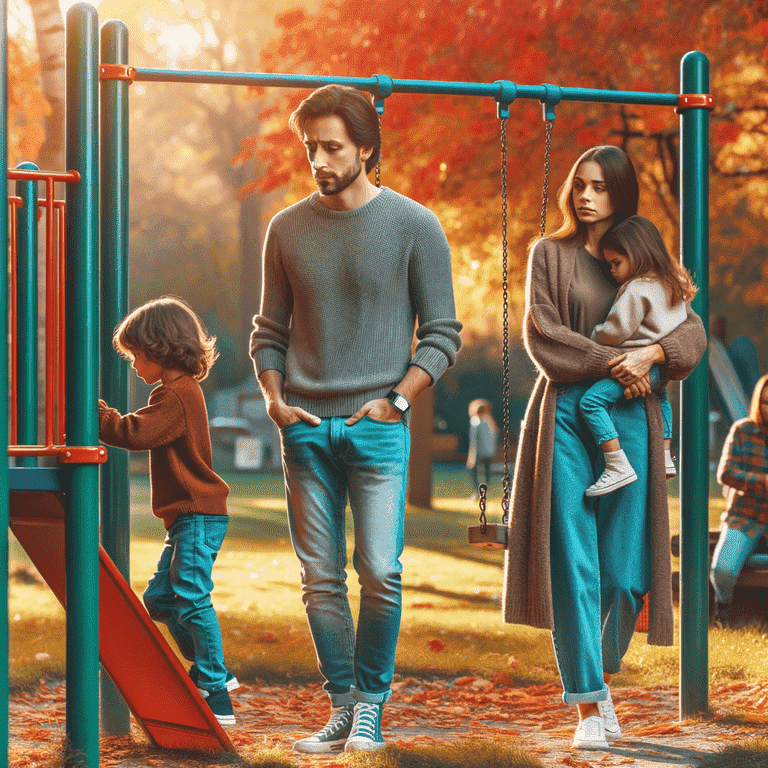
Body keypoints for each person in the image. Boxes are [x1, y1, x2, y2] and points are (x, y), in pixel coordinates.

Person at [250, 84, 462, 753]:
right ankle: (342, 706)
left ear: (366, 148)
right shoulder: (285, 229)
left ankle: (372, 704)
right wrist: (275, 401)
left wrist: (396, 400)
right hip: (304, 429)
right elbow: (267, 333)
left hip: (377, 428)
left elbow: (443, 334)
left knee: (379, 570)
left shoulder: (414, 225)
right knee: (318, 580)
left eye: (332, 146)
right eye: (310, 146)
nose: (317, 158)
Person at [501, 145, 706, 750]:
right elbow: (543, 334)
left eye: (601, 188)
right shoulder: (551, 254)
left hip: (634, 420)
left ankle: (601, 678)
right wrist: (625, 361)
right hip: (567, 414)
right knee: (575, 565)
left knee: (626, 575)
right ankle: (588, 704)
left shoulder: (644, 255)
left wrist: (658, 353)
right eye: (580, 185)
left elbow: (691, 332)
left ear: (622, 194)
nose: (587, 197)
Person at [97, 296, 237, 727]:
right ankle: (213, 671)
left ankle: (215, 689)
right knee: (160, 598)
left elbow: (135, 433)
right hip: (186, 517)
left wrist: (96, 412)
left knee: (192, 597)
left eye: (137, 354)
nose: (134, 364)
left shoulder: (175, 395)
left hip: (198, 514)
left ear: (160, 349)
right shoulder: (175, 392)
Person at [579, 216, 697, 497]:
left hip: (636, 365)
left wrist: (593, 335)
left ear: (638, 255)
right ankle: (667, 456)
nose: (612, 271)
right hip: (658, 368)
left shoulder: (637, 289)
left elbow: (616, 331)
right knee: (662, 398)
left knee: (591, 402)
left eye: (616, 263)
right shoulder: (673, 283)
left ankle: (616, 462)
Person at [710, 373, 768, 626]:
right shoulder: (743, 430)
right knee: (722, 570)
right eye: (766, 402)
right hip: (746, 514)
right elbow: (726, 474)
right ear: (758, 402)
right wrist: (764, 482)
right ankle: (723, 608)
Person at [467, 398, 499, 497]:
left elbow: (474, 440)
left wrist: (472, 456)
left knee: (471, 470)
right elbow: (495, 435)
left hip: (479, 452)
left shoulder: (475, 421)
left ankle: (478, 491)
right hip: (489, 452)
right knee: (487, 471)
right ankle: (486, 490)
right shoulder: (490, 421)